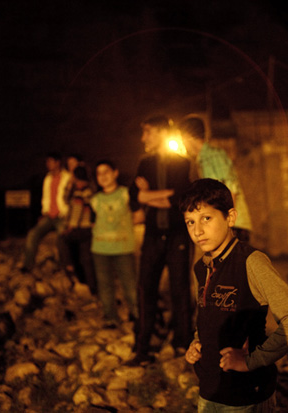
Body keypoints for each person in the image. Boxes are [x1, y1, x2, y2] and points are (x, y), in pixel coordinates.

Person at [180, 178, 288, 412]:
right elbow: (210, 316)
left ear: (230, 217)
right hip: (209, 389)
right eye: (190, 222)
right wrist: (197, 342)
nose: (197, 230)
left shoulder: (251, 262)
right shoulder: (202, 267)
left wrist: (252, 361)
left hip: (246, 394)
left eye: (206, 218)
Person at [128, 115, 194, 365]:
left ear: (161, 133)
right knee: (146, 288)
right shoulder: (144, 164)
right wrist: (154, 196)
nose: (143, 138)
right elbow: (135, 196)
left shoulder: (182, 163)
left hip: (177, 234)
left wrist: (149, 194)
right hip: (153, 235)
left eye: (147, 132)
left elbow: (180, 198)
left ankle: (182, 343)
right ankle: (143, 346)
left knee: (180, 289)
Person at [179, 115, 253, 242]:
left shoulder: (213, 156)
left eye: (182, 138)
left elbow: (230, 188)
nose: (182, 143)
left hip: (233, 225)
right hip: (227, 224)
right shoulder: (202, 159)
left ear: (187, 136)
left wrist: (226, 221)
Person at [90, 160, 144, 327]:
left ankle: (137, 315)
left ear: (115, 173)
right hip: (100, 248)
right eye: (99, 173)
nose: (103, 176)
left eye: (106, 172)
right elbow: (93, 222)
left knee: (130, 285)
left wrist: (122, 229)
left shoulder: (126, 194)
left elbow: (139, 216)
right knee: (105, 286)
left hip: (123, 247)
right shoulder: (95, 200)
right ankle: (110, 317)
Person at [22, 152, 72, 272]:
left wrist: (67, 214)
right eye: (47, 162)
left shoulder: (67, 177)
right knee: (32, 234)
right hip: (49, 216)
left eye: (50, 161)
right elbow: (46, 197)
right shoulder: (48, 178)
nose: (47, 164)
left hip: (62, 215)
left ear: (57, 162)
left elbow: (70, 198)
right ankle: (28, 265)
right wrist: (44, 212)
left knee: (62, 238)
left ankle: (66, 265)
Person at [57, 165, 97, 294]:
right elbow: (66, 199)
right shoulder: (89, 190)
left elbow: (78, 210)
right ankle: (92, 287)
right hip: (88, 228)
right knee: (86, 258)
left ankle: (69, 267)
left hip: (81, 227)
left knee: (62, 239)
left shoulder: (81, 191)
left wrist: (71, 226)